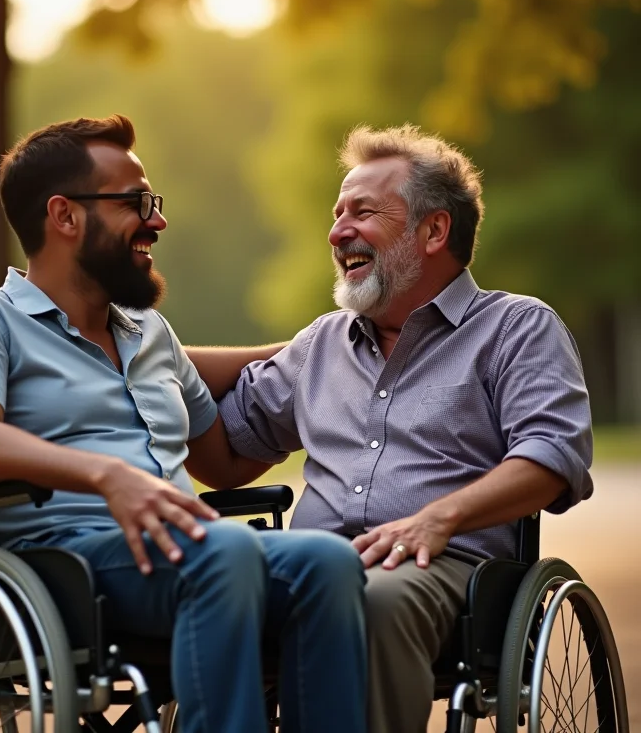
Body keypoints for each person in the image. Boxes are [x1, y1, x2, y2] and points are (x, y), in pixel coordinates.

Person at [0, 115, 368, 733]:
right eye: (136, 203)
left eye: (153, 203)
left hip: (186, 551)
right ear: (65, 215)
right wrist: (108, 477)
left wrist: (326, 361)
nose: (156, 222)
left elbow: (223, 463)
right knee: (225, 552)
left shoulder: (150, 333)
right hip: (63, 565)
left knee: (329, 562)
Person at [208, 123, 594, 733]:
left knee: (372, 602)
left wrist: (437, 519)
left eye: (363, 212)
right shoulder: (322, 342)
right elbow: (227, 456)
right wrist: (148, 364)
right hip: (312, 560)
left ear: (434, 230)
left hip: (442, 565)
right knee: (210, 591)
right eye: (337, 215)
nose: (338, 232)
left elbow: (552, 456)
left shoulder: (516, 328)